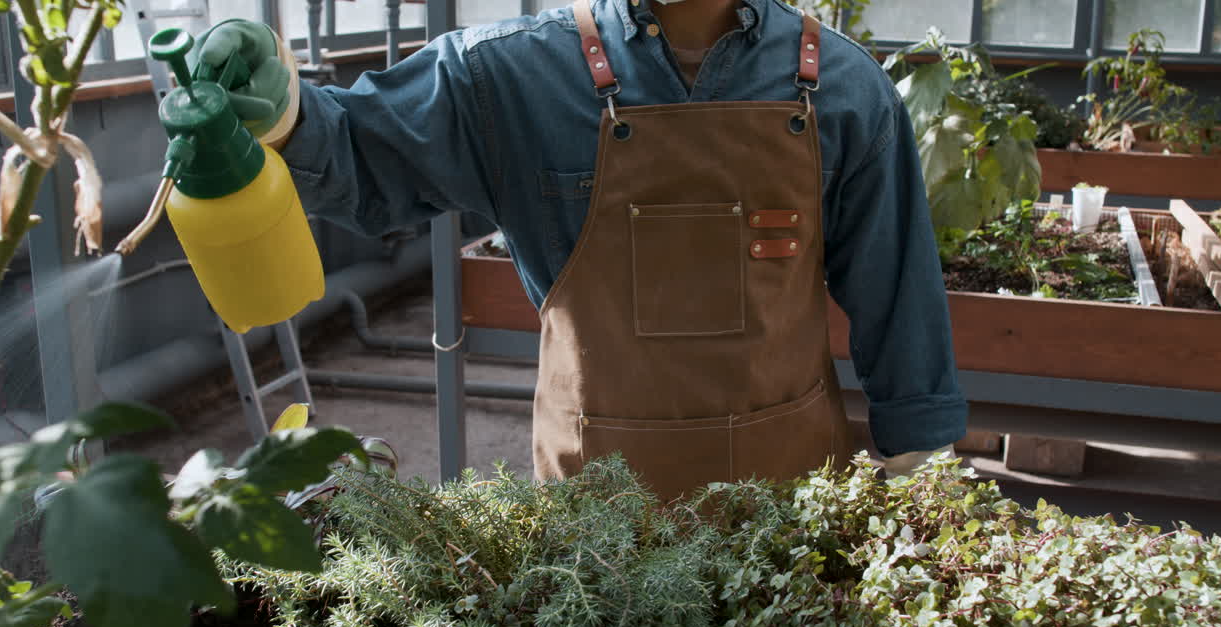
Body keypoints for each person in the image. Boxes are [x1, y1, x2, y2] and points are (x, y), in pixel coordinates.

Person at [189, 0, 968, 498]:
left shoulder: (841, 86)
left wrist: (921, 464)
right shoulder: (509, 77)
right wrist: (282, 112)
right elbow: (362, 153)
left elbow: (898, 293)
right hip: (595, 529)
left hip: (793, 503)